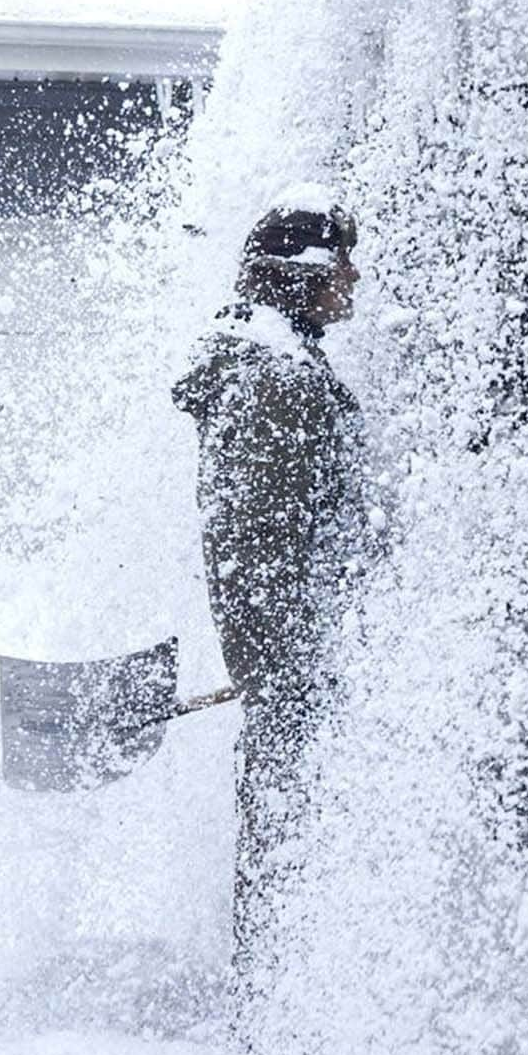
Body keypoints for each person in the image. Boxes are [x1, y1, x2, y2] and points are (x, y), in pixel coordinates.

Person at [172, 186, 377, 983]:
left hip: (302, 655)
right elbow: (247, 549)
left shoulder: (282, 366)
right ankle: (278, 993)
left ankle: (287, 984)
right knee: (289, 830)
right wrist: (280, 667)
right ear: (301, 275)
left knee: (289, 828)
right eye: (343, 264)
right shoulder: (277, 384)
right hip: (296, 669)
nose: (355, 280)